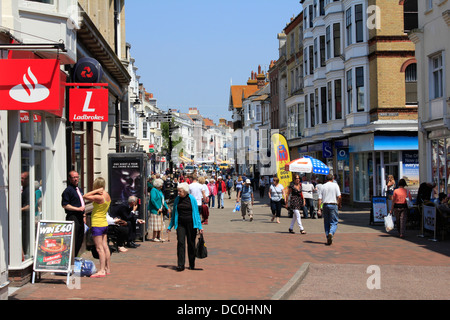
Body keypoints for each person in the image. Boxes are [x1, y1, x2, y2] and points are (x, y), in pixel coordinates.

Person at [167, 183, 203, 271]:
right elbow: (174, 213)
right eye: (178, 191)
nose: (178, 193)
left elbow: (196, 214)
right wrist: (170, 226)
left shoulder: (192, 199)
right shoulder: (177, 200)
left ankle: (191, 264)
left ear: (185, 191)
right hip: (180, 224)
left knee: (191, 243)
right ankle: (180, 264)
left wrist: (200, 226)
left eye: (180, 191)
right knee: (181, 243)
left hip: (191, 224)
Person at [83, 177, 111, 278]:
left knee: (99, 248)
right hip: (104, 222)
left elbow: (85, 196)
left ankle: (102, 270)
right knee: (105, 246)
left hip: (97, 223)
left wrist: (96, 191)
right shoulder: (107, 195)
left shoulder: (99, 197)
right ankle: (108, 268)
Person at [61, 170, 86, 257]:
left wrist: (84, 215)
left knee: (80, 237)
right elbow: (65, 205)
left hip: (80, 217)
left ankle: (75, 257)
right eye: (73, 177)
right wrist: (77, 209)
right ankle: (71, 259)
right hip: (73, 216)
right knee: (73, 239)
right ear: (69, 179)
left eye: (77, 177)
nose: (76, 179)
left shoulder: (79, 189)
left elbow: (82, 202)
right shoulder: (68, 191)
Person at [318, 173, 342, 245]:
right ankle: (331, 233)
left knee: (326, 222)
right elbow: (339, 197)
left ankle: (327, 235)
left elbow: (319, 199)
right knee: (334, 222)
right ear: (333, 179)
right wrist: (339, 204)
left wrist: (319, 208)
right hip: (333, 204)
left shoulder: (323, 186)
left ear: (326, 179)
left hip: (325, 205)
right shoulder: (335, 185)